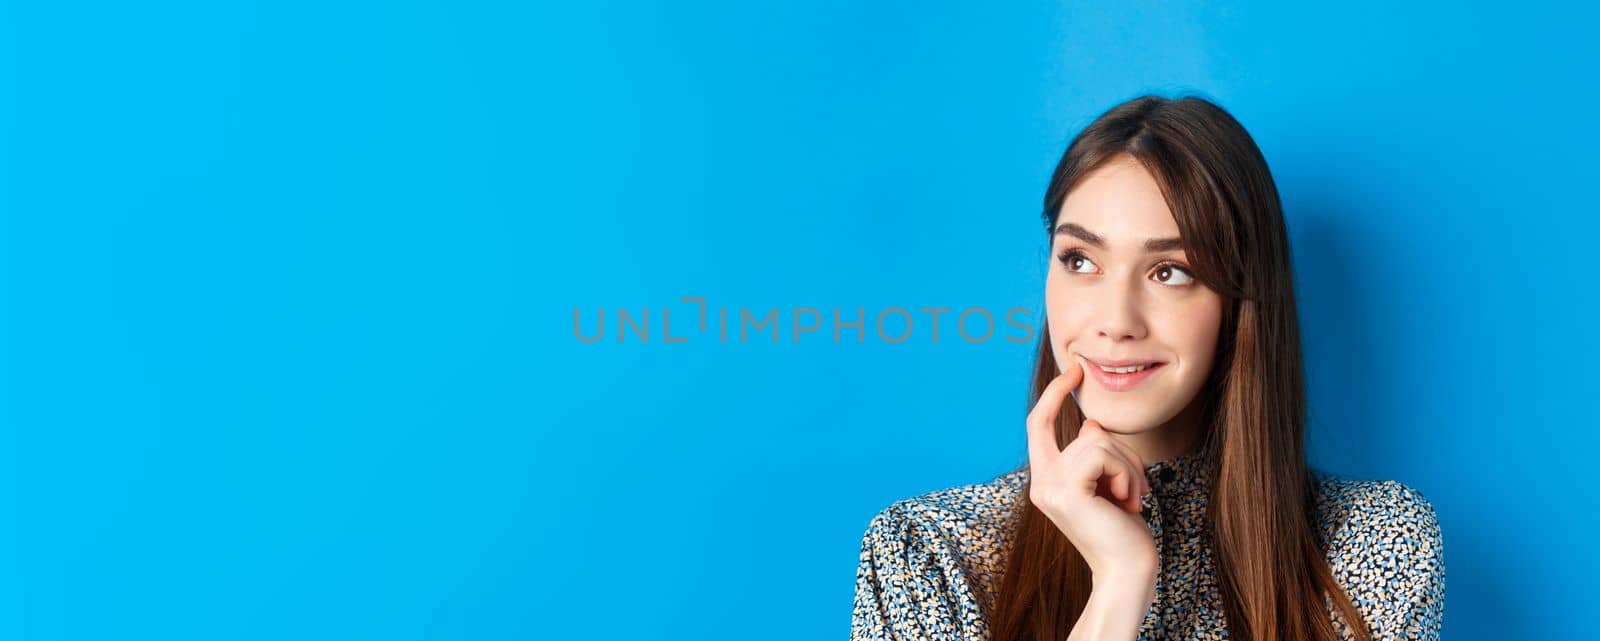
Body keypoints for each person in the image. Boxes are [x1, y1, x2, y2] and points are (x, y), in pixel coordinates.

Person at [850, 95, 1444, 641]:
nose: (1115, 321)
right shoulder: (929, 552)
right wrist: (1119, 581)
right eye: (1080, 260)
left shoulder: (1371, 543)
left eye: (1170, 271)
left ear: (1240, 304)